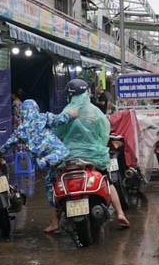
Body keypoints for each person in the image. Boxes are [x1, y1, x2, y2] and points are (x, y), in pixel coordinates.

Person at [54, 79, 129, 228]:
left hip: (70, 157)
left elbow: (57, 131)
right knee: (108, 181)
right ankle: (120, 213)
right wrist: (98, 146)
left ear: (69, 95)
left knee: (56, 181)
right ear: (87, 92)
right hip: (94, 157)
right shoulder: (94, 111)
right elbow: (105, 131)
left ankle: (54, 222)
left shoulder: (68, 111)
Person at [0, 99, 77, 233]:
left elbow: (8, 144)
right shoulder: (43, 117)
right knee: (64, 152)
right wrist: (72, 115)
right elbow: (59, 119)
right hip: (53, 153)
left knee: (51, 189)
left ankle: (55, 223)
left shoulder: (21, 130)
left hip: (40, 161)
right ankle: (47, 160)